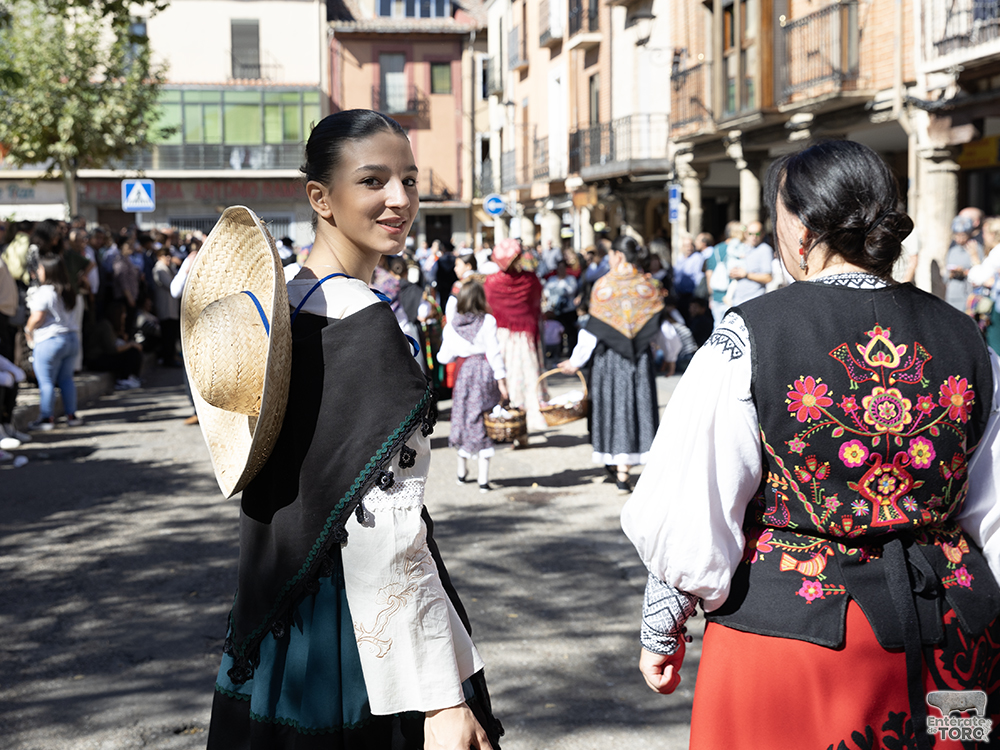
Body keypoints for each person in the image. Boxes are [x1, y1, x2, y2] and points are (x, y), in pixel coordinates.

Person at [622, 140, 1000, 749]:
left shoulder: (749, 335)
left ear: (800, 231)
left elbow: (695, 500)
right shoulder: (967, 338)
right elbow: (994, 509)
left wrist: (661, 627)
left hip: (795, 644)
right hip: (954, 640)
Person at [204, 110, 503, 749]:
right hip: (353, 634)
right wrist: (440, 699)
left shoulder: (279, 302)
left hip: (274, 619)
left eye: (409, 180)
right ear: (321, 198)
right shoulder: (365, 324)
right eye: (372, 181)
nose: (400, 200)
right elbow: (386, 529)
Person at [559, 236, 681, 493]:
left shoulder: (603, 286)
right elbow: (665, 330)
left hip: (609, 360)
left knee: (614, 409)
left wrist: (576, 361)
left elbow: (591, 332)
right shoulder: (649, 286)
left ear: (618, 255)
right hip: (639, 359)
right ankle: (628, 467)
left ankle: (618, 466)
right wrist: (670, 357)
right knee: (637, 407)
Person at [436, 281, 508, 492]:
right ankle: (483, 479)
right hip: (484, 372)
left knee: (462, 416)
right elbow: (494, 352)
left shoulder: (452, 325)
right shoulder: (487, 321)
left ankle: (461, 471)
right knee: (483, 417)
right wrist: (502, 380)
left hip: (463, 374)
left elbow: (443, 357)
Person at [483, 238, 547, 439]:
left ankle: (507, 425)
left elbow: (488, 308)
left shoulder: (491, 282)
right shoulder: (530, 280)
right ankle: (522, 429)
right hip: (525, 339)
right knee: (526, 382)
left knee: (505, 381)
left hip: (501, 337)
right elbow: (536, 304)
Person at [24, 256, 82, 430]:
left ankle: (46, 418)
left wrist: (28, 330)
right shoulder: (68, 290)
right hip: (71, 339)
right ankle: (71, 415)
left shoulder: (44, 291)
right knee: (66, 379)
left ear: (48, 271)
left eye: (40, 268)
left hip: (50, 340)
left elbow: (38, 317)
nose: (38, 272)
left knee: (46, 381)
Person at [725, 220, 773, 306]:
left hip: (754, 301)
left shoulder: (765, 250)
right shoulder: (743, 247)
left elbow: (768, 278)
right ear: (746, 234)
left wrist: (746, 275)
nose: (754, 236)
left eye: (757, 233)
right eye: (750, 234)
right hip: (737, 300)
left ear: (762, 234)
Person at [943, 214, 982, 312]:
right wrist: (950, 274)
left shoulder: (976, 249)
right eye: (957, 235)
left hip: (968, 294)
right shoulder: (953, 251)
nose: (959, 239)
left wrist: (964, 272)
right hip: (952, 294)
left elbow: (980, 272)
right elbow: (946, 275)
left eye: (963, 235)